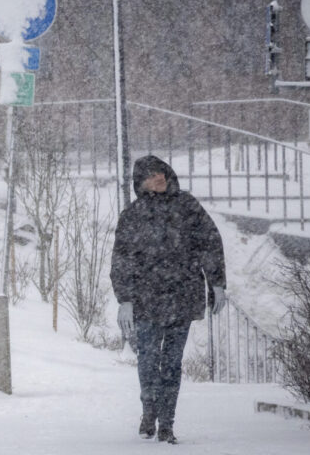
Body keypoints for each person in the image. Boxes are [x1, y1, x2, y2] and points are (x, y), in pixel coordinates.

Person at [110, 155, 226, 444]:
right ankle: (149, 410)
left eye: (160, 172)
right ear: (141, 182)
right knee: (149, 360)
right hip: (146, 300)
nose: (158, 177)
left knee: (172, 363)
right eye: (151, 175)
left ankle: (167, 423)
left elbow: (210, 242)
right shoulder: (133, 215)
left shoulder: (187, 207)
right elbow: (122, 259)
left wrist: (217, 283)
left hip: (182, 297)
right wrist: (125, 299)